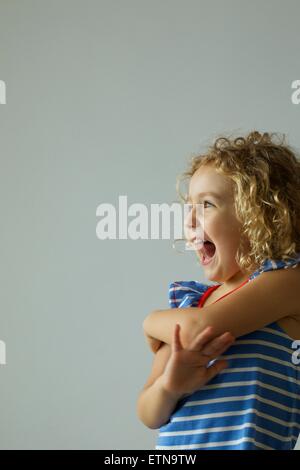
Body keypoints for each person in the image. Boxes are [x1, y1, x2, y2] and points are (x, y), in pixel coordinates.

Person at [138, 131, 300, 450]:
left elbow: (203, 327)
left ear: (260, 213)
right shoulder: (190, 302)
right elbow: (148, 413)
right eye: (189, 207)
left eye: (207, 204)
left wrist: (150, 321)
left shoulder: (288, 281)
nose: (190, 220)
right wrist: (170, 388)